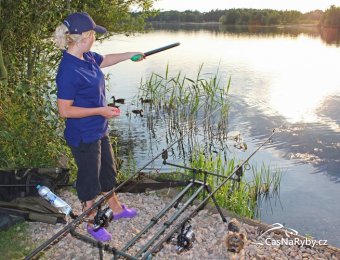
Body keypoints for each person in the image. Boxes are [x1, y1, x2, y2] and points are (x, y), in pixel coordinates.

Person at [54, 12, 144, 242]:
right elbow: (65, 111)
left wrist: (130, 54)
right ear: (85, 37)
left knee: (108, 172)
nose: (96, 38)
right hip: (83, 134)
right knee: (89, 181)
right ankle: (91, 221)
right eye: (94, 34)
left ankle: (115, 208)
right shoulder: (68, 70)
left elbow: (107, 59)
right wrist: (100, 110)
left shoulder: (88, 57)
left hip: (99, 128)